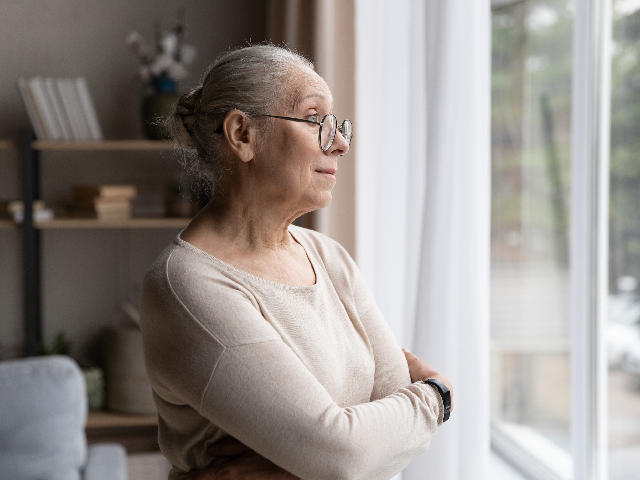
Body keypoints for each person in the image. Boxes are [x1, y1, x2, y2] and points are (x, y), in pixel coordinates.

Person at [140, 44, 453, 480]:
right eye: (313, 119)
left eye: (337, 124)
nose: (340, 143)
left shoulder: (328, 256)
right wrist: (438, 396)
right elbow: (344, 455)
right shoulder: (188, 284)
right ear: (243, 135)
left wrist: (324, 456)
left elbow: (368, 449)